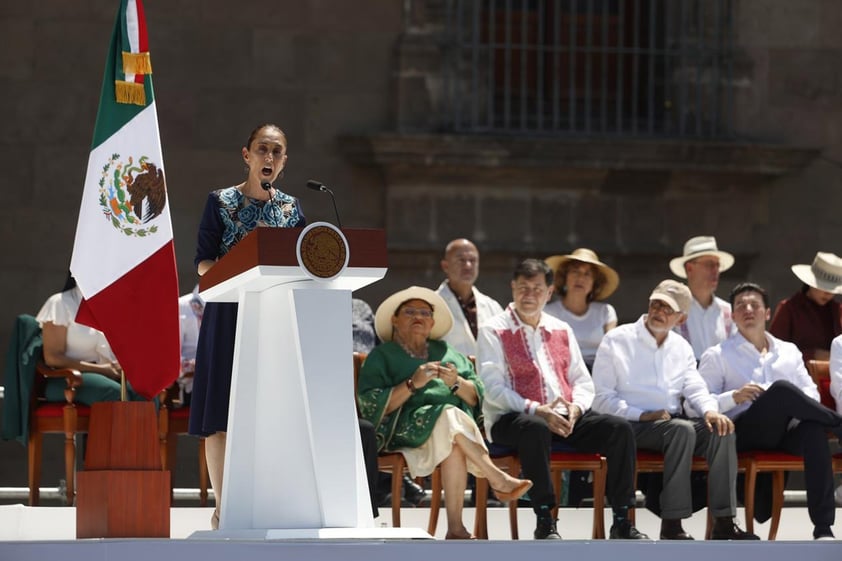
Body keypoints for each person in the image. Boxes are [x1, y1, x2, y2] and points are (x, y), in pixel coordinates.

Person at [189, 123, 307, 528]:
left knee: (271, 411)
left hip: (274, 318)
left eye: (277, 152)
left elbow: (304, 263)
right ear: (247, 155)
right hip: (227, 314)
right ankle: (224, 506)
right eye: (262, 150)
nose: (269, 158)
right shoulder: (220, 202)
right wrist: (239, 261)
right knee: (220, 412)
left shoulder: (292, 210)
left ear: (284, 160)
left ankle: (267, 501)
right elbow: (203, 263)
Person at [478, 259, 646, 540]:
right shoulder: (493, 329)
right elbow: (492, 389)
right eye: (523, 288)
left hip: (564, 416)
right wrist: (538, 409)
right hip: (512, 418)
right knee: (535, 428)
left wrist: (576, 408)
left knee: (619, 429)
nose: (529, 295)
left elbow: (582, 380)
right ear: (512, 288)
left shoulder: (561, 328)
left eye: (536, 288)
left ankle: (622, 519)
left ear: (549, 291)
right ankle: (545, 518)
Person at [357, 286, 532, 539]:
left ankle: (456, 528)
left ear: (432, 322)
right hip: (401, 430)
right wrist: (411, 385)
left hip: (452, 430)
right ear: (395, 320)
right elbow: (369, 404)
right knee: (450, 417)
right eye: (410, 311)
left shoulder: (448, 352)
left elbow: (477, 396)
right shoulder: (381, 356)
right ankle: (495, 476)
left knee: (453, 433)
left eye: (425, 312)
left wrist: (456, 383)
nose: (419, 316)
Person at [591, 279, 758, 540]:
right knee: (681, 431)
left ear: (681, 319)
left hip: (668, 424)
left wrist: (710, 411)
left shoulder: (681, 347)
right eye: (656, 304)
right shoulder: (617, 339)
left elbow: (695, 387)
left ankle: (724, 522)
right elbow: (600, 400)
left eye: (668, 308)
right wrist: (642, 415)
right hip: (626, 425)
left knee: (722, 430)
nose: (659, 311)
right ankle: (672, 523)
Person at [699, 282, 842, 540]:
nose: (748, 309)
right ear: (732, 315)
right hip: (741, 432)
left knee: (813, 430)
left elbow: (809, 393)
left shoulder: (788, 351)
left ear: (767, 313)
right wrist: (733, 396)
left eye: (755, 304)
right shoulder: (717, 354)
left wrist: (792, 407)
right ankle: (839, 425)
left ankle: (823, 528)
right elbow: (697, 403)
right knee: (781, 390)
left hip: (785, 431)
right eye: (741, 305)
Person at [37, 274, 144, 404]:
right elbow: (52, 358)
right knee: (113, 392)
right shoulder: (60, 303)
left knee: (145, 390)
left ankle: (147, 425)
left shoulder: (113, 304)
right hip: (68, 379)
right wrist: (102, 370)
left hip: (109, 373)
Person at [544, 248, 619, 370]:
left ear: (594, 283)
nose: (581, 278)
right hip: (562, 371)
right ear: (564, 277)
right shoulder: (547, 312)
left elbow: (613, 349)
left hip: (599, 371)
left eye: (587, 274)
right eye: (575, 271)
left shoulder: (605, 312)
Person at [669, 236, 736, 361]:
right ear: (689, 268)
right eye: (710, 264)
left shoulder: (730, 312)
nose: (716, 270)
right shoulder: (672, 311)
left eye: (717, 265)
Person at [769, 251, 842, 363]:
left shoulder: (838, 311)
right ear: (810, 283)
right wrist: (811, 355)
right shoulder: (789, 309)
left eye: (832, 289)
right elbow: (774, 351)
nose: (828, 293)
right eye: (823, 287)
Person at [436, 238, 503, 358]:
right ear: (445, 266)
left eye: (473, 260)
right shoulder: (432, 304)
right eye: (461, 260)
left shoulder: (492, 306)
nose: (468, 266)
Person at [176, 285, 204, 407]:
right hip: (191, 384)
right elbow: (171, 355)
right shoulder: (181, 307)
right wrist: (191, 365)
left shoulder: (225, 301)